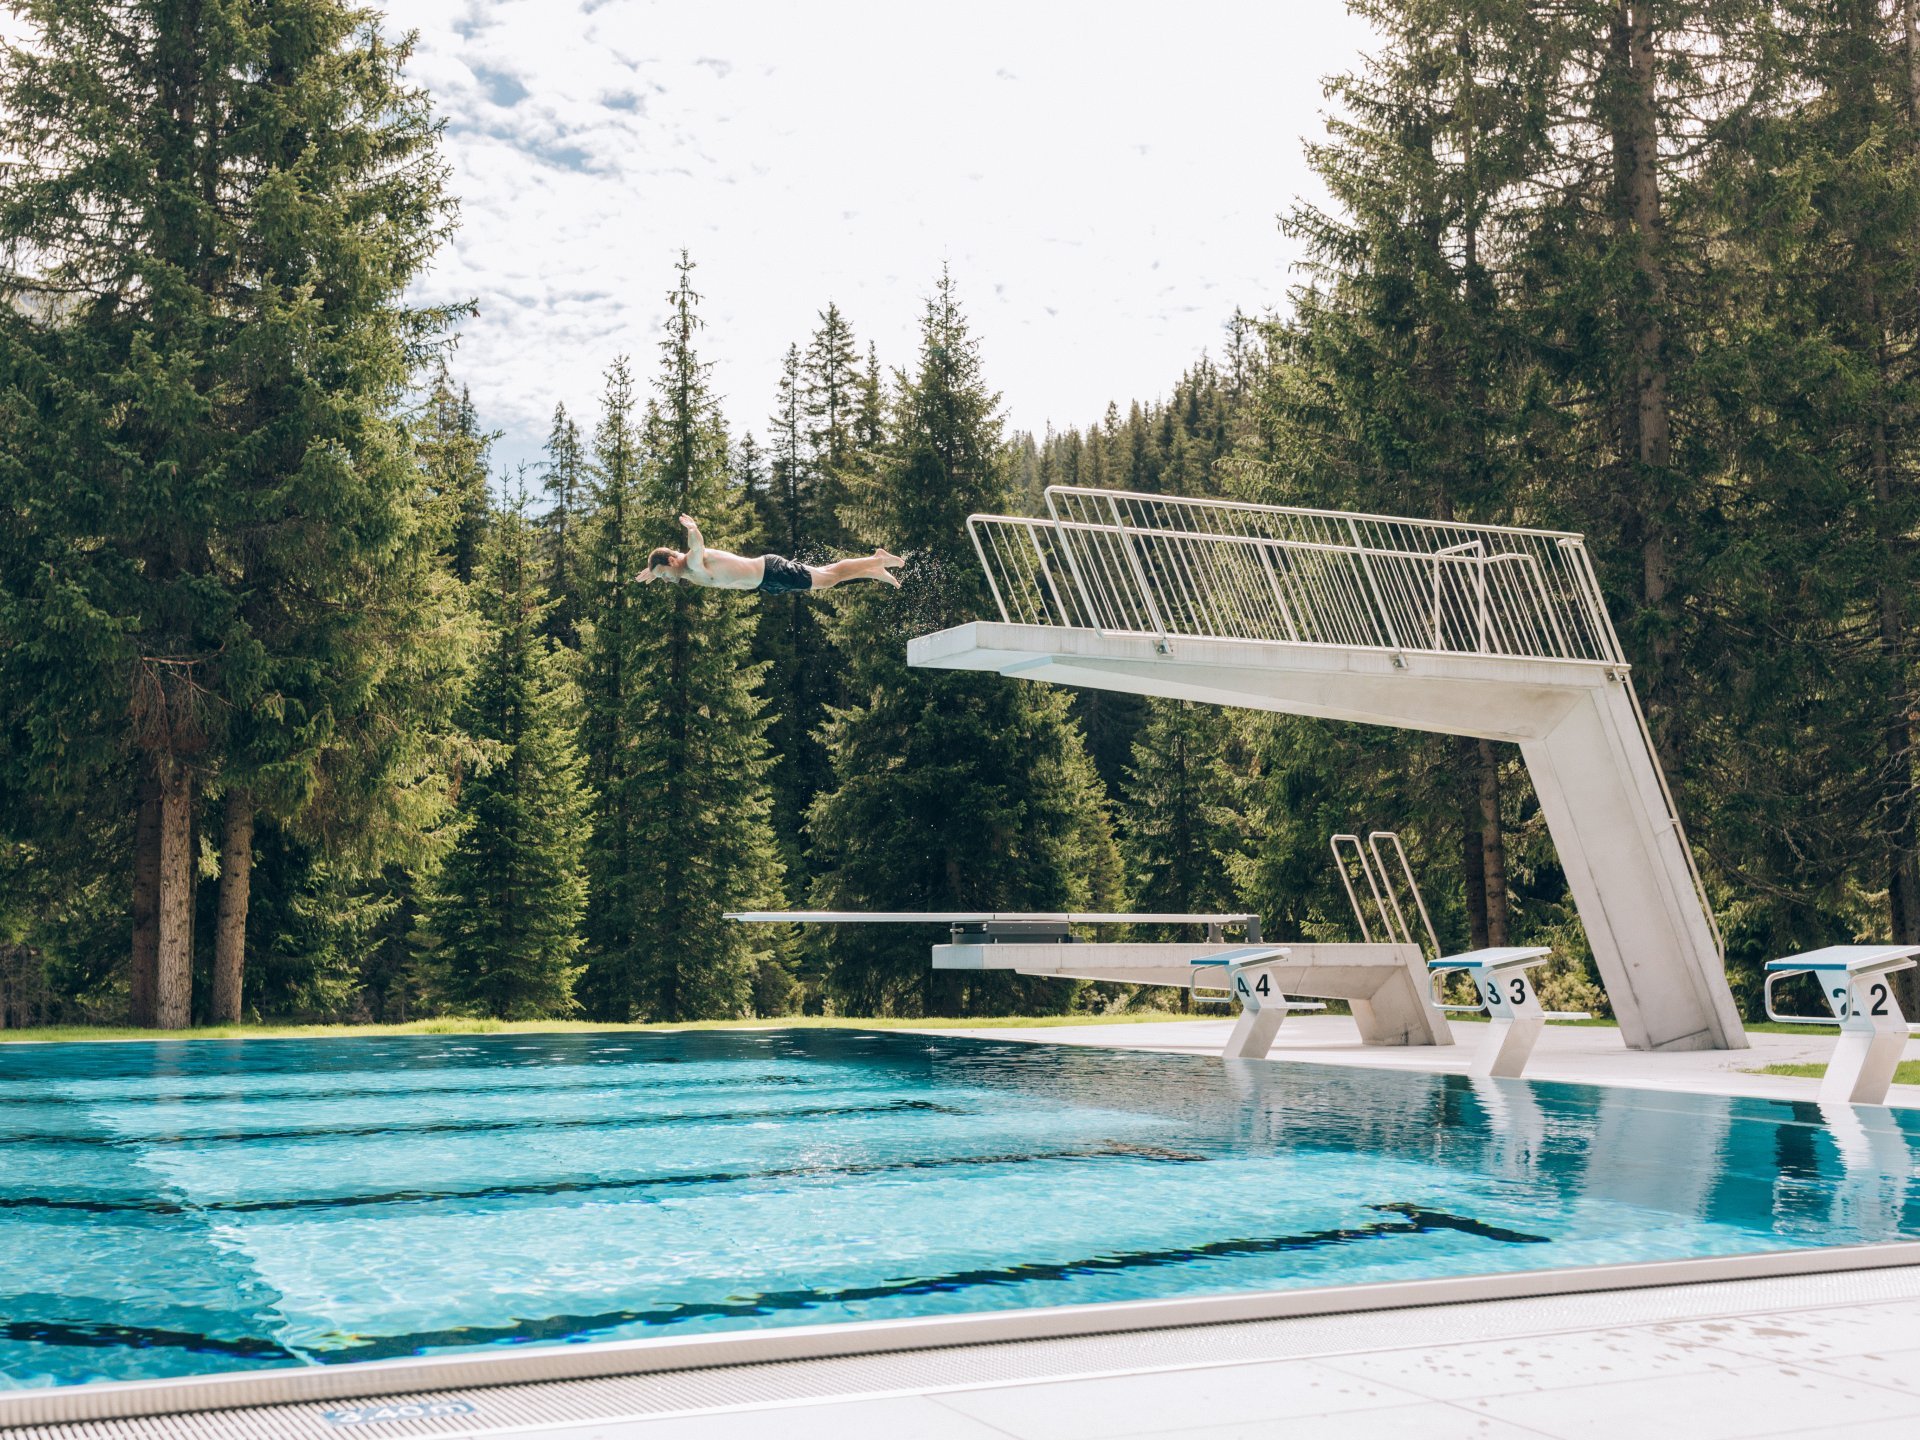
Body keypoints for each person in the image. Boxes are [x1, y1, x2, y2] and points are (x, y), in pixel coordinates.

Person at [638, 514, 903, 593]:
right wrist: (653, 573)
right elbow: (669, 568)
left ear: (672, 560)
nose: (666, 580)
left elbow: (697, 546)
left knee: (829, 575)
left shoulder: (692, 564)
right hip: (768, 582)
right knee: (828, 579)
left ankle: (877, 559)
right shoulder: (681, 570)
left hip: (771, 570)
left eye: (664, 574)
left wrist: (693, 528)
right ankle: (872, 570)